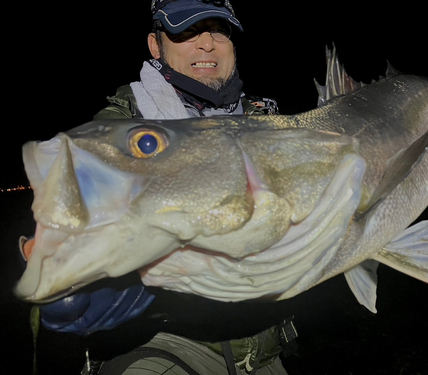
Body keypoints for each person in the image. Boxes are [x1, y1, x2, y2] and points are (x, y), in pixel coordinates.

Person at [37, 1, 290, 375]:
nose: (207, 44)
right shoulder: (120, 131)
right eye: (187, 31)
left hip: (264, 353)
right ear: (156, 47)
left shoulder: (270, 124)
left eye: (218, 30)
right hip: (163, 345)